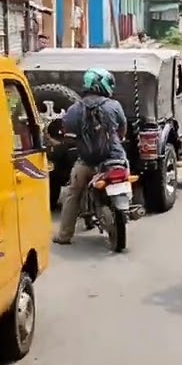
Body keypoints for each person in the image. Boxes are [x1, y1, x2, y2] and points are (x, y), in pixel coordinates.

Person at [53, 69, 130, 245]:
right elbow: (122, 128)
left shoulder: (74, 110)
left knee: (73, 193)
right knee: (125, 174)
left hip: (87, 162)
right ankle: (127, 199)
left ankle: (64, 235)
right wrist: (118, 138)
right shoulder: (114, 105)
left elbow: (66, 131)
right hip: (114, 160)